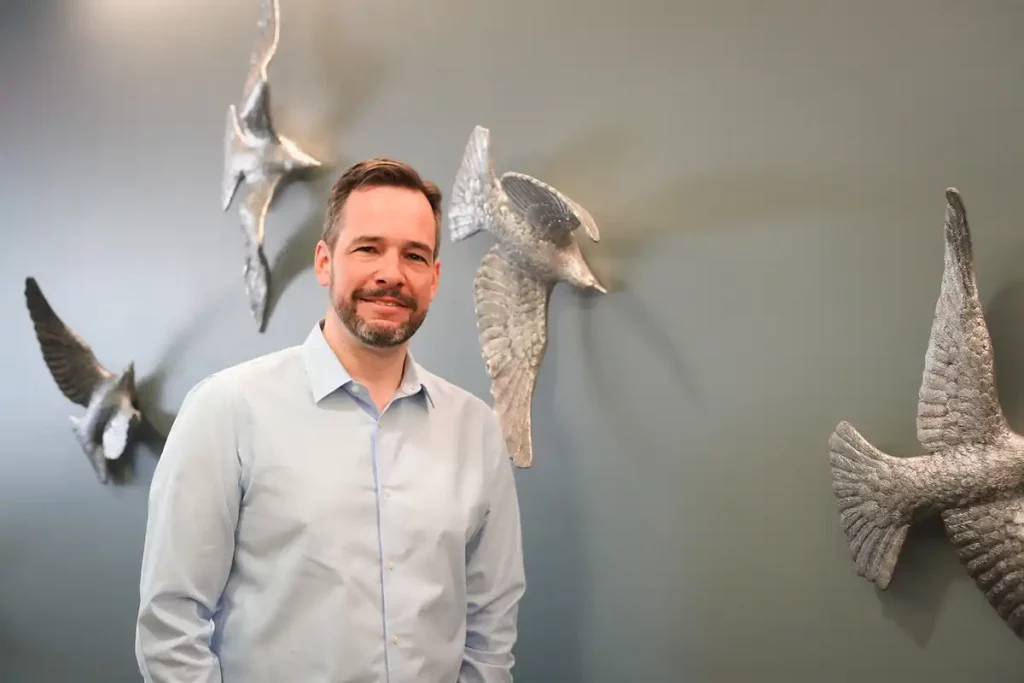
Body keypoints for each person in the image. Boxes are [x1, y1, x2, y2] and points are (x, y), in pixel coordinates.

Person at [135, 158, 526, 683]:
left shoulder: (475, 430)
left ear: (433, 279)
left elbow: (491, 625)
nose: (391, 273)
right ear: (325, 262)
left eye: (414, 255)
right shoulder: (227, 410)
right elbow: (171, 624)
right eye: (368, 248)